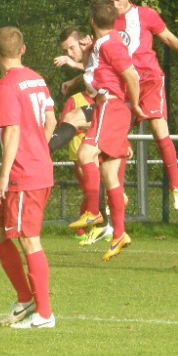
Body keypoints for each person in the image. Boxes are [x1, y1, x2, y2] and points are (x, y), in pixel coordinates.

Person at [0, 26, 57, 329]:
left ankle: (44, 314)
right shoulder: (37, 79)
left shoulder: (6, 86)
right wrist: (39, 148)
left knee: (29, 240)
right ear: (23, 50)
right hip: (35, 167)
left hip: (23, 174)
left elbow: (13, 130)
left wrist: (3, 176)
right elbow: (51, 120)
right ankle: (26, 298)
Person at [104, 0, 178, 211]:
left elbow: (167, 37)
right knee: (116, 140)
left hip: (149, 81)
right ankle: (116, 194)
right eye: (110, 2)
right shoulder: (105, 21)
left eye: (118, 0)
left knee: (159, 130)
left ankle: (176, 187)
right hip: (123, 85)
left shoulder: (146, 15)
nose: (115, 5)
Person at [76, 0, 145, 262]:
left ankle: (93, 212)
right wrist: (87, 51)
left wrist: (135, 105)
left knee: (85, 155)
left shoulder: (112, 45)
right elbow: (92, 73)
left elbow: (131, 75)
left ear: (92, 21)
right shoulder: (104, 43)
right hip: (109, 107)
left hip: (110, 106)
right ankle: (119, 234)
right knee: (108, 174)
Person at [50, 27, 114, 245]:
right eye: (65, 51)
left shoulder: (98, 46)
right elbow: (91, 71)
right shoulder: (91, 56)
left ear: (82, 41)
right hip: (107, 114)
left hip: (115, 108)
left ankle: (41, 150)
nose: (69, 53)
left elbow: (98, 67)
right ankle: (106, 226)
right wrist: (74, 81)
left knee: (72, 119)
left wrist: (72, 63)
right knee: (102, 176)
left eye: (71, 48)